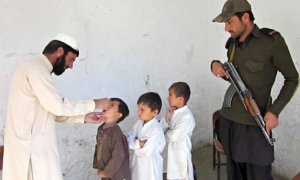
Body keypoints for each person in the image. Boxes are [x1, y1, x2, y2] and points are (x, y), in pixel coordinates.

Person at [211, 0, 299, 179]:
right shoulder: (232, 45)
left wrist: (274, 112)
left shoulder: (272, 42)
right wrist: (215, 65)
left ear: (245, 17)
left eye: (230, 22)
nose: (226, 28)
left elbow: (292, 79)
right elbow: (235, 81)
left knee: (259, 175)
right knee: (235, 175)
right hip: (229, 122)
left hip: (255, 126)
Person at [3, 33, 111, 180]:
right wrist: (95, 103)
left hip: (30, 150)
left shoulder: (35, 67)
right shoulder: (36, 69)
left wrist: (83, 118)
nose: (71, 66)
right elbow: (57, 107)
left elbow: (50, 110)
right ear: (60, 51)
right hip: (30, 152)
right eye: (71, 59)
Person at [160, 82, 196, 180]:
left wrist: (161, 136)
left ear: (180, 99)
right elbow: (160, 128)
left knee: (181, 176)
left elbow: (173, 136)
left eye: (170, 95)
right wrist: (167, 118)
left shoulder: (187, 117)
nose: (167, 97)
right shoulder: (172, 112)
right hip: (169, 155)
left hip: (180, 156)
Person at [127, 92, 166, 180]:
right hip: (137, 161)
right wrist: (138, 145)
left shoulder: (155, 130)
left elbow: (147, 151)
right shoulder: (139, 123)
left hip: (150, 165)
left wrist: (134, 145)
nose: (138, 112)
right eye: (138, 109)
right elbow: (129, 138)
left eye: (142, 109)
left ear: (155, 112)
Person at [93, 98, 130, 180]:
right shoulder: (101, 128)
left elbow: (119, 156)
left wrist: (106, 172)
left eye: (112, 105)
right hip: (105, 172)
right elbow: (98, 147)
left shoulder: (116, 133)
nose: (107, 106)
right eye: (108, 104)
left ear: (118, 115)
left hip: (117, 175)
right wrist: (98, 166)